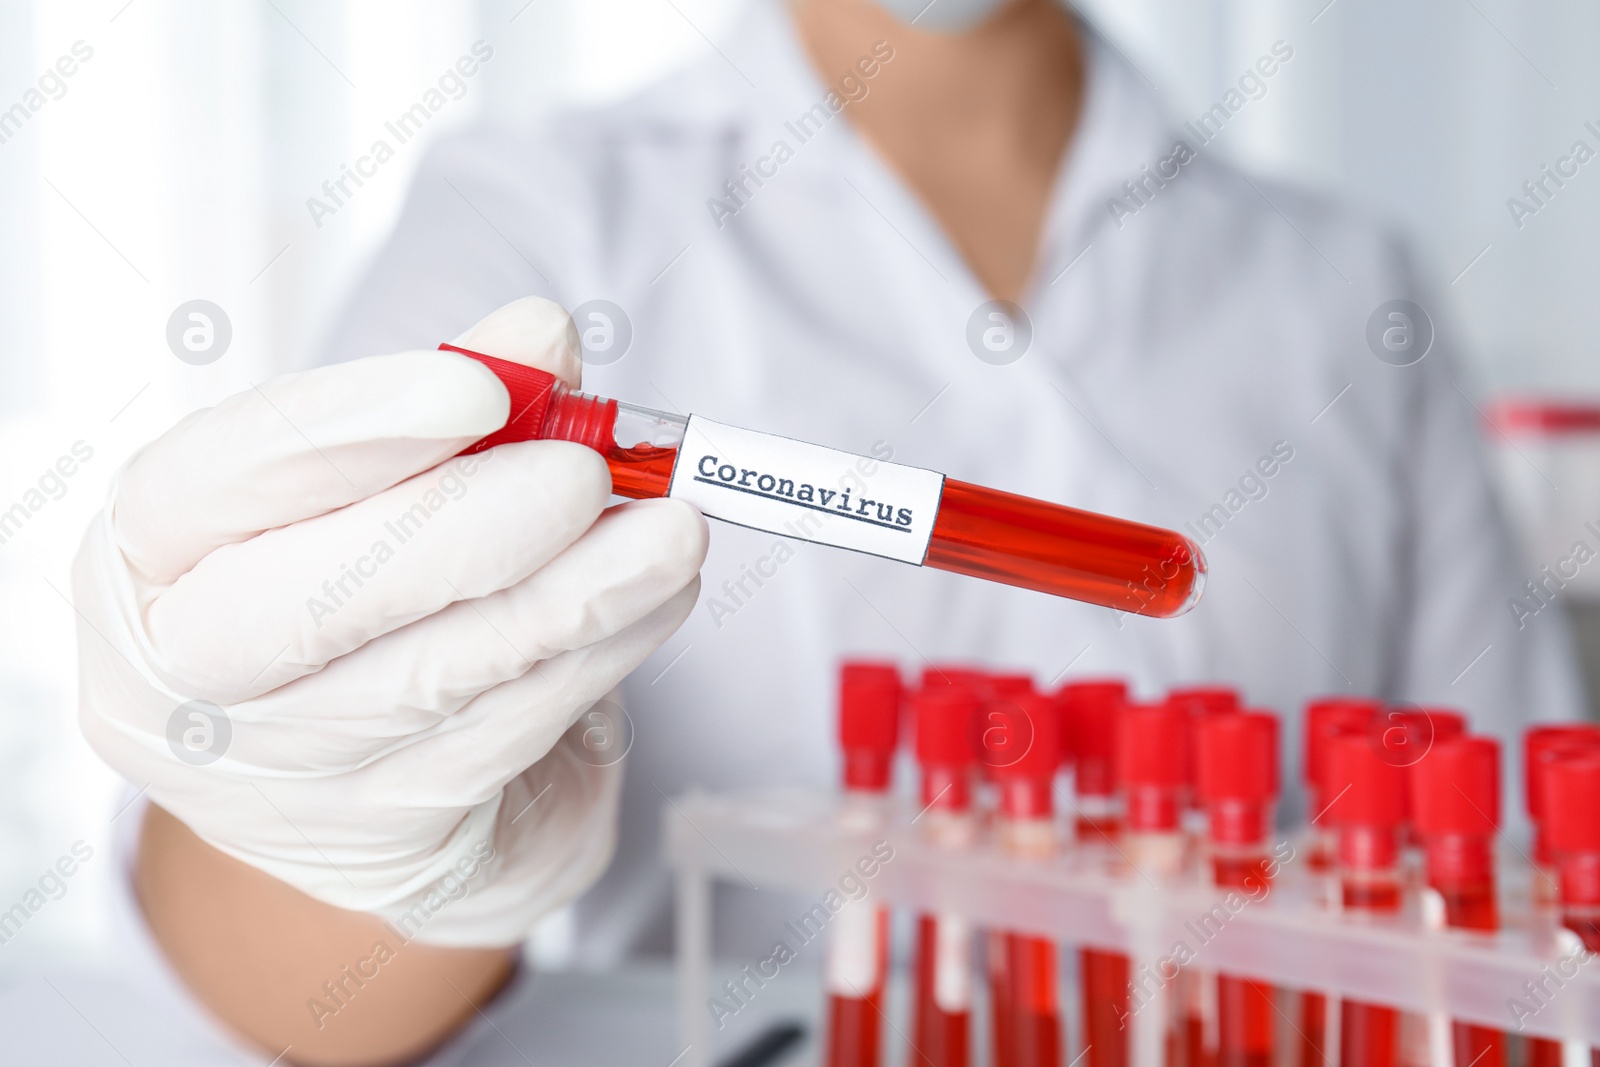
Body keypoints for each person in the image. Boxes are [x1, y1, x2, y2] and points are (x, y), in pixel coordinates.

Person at [62, 0, 1582, 1063]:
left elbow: (1514, 879)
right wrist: (390, 844)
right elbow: (264, 995)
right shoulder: (535, 218)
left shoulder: (1341, 285)